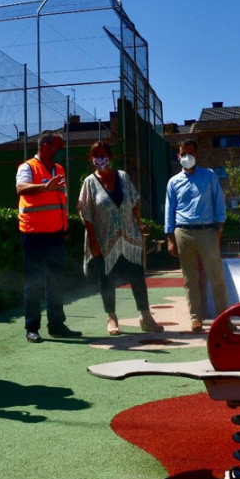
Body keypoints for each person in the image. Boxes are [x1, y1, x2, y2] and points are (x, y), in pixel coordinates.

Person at [78, 142, 163, 335]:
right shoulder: (89, 182)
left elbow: (133, 202)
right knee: (106, 278)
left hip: (129, 237)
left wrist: (140, 227)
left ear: (110, 156)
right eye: (96, 155)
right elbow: (86, 212)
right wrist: (92, 240)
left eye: (103, 154)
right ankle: (112, 318)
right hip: (103, 240)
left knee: (137, 276)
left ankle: (146, 317)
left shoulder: (123, 176)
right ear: (92, 159)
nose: (100, 158)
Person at [16, 131, 83, 342]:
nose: (61, 151)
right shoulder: (27, 167)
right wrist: (45, 186)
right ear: (45, 146)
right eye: (58, 147)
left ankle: (56, 324)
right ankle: (31, 328)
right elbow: (21, 188)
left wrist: (64, 226)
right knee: (33, 282)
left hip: (56, 234)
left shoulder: (60, 169)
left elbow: (60, 201)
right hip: (33, 234)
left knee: (56, 281)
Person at [165, 139, 228, 332]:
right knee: (190, 279)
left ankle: (224, 318)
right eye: (183, 154)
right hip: (183, 232)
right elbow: (170, 209)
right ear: (178, 156)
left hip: (208, 231)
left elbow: (219, 202)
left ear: (197, 155)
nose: (187, 157)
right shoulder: (173, 182)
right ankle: (195, 319)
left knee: (216, 277)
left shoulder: (209, 176)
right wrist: (170, 238)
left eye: (190, 153)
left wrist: (220, 229)